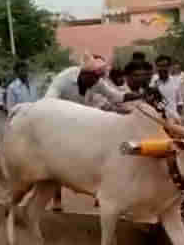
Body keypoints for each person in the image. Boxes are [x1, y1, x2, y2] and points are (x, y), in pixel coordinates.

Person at [44, 54, 144, 210]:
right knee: (56, 160)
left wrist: (140, 95)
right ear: (84, 74)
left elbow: (116, 97)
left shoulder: (97, 82)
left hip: (82, 122)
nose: (96, 83)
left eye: (99, 79)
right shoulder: (63, 79)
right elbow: (48, 102)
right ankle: (57, 200)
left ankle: (100, 192)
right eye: (94, 79)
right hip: (59, 122)